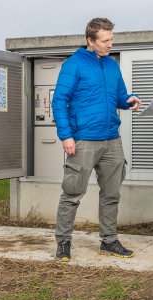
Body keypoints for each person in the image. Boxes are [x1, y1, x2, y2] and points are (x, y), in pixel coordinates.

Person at [52, 17, 142, 262]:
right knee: (72, 194)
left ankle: (109, 241)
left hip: (111, 139)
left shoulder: (112, 65)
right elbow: (59, 101)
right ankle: (63, 242)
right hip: (83, 139)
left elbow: (119, 97)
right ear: (90, 41)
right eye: (105, 40)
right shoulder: (74, 64)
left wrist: (129, 100)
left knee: (111, 194)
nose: (110, 44)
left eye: (111, 39)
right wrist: (66, 135)